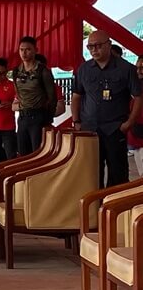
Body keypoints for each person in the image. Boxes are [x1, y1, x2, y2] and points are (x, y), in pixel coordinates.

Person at [71, 30, 142, 188]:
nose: (94, 50)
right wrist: (76, 121)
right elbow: (76, 96)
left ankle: (115, 203)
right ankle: (95, 203)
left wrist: (129, 123)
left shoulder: (126, 69)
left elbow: (138, 97)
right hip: (90, 130)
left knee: (118, 174)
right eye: (90, 47)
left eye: (98, 46)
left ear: (109, 45)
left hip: (115, 129)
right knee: (91, 174)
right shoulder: (84, 69)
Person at [12, 36, 56, 155]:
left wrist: (48, 118)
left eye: (28, 49)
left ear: (35, 50)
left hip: (38, 117)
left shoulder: (43, 71)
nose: (24, 53)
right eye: (21, 50)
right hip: (22, 117)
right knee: (22, 154)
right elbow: (18, 93)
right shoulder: (16, 71)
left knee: (37, 154)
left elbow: (52, 97)